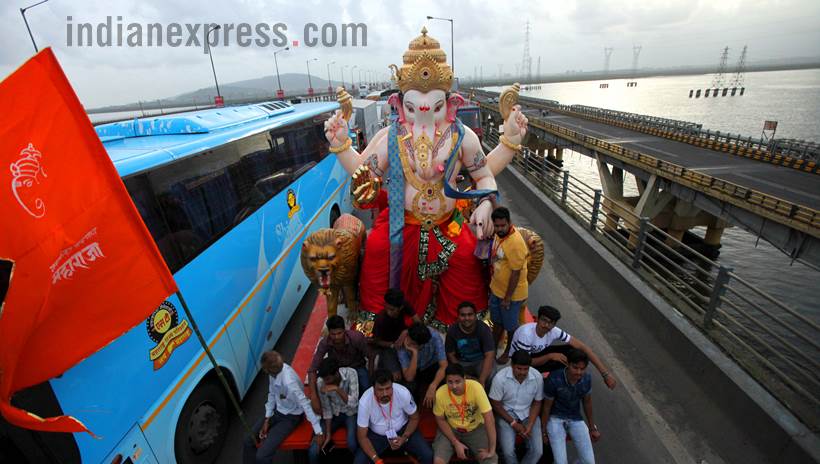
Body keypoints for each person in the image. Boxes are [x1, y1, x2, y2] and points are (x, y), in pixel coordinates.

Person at [502, 305, 618, 390]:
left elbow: (583, 347)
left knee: (575, 351)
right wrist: (550, 356)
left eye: (550, 323)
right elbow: (524, 363)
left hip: (536, 354)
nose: (546, 325)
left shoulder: (554, 331)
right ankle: (547, 384)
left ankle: (562, 381)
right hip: (520, 361)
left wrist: (605, 374)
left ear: (554, 325)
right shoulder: (526, 334)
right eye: (543, 320)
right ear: (537, 319)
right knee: (554, 359)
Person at [243, 351, 323, 464]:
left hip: (291, 417)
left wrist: (318, 432)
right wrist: (267, 419)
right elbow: (272, 394)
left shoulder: (289, 383)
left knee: (262, 456)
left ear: (266, 370)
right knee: (248, 440)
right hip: (277, 410)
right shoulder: (273, 373)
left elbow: (305, 404)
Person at [354, 369, 433, 464]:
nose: (385, 394)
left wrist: (404, 437)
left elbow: (414, 418)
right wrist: (377, 460)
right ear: (373, 388)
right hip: (377, 436)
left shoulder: (403, 392)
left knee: (428, 455)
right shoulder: (365, 401)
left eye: (388, 388)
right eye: (380, 390)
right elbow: (362, 437)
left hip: (403, 430)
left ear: (392, 385)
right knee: (359, 461)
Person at [541, 349, 601, 464]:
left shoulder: (587, 378)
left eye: (582, 369)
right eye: (575, 367)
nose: (578, 372)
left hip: (575, 418)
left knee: (589, 462)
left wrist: (592, 428)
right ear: (568, 364)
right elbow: (546, 407)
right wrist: (543, 432)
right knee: (560, 462)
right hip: (555, 419)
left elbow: (587, 402)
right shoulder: (554, 378)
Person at [432, 364, 497, 464]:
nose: (454, 386)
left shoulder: (476, 387)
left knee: (490, 461)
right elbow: (440, 419)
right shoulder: (440, 393)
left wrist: (492, 450)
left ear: (464, 378)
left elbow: (489, 418)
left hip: (475, 428)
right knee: (438, 461)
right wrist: (455, 442)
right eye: (450, 382)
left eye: (457, 381)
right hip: (451, 428)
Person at [488, 350, 544, 464]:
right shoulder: (500, 378)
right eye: (519, 368)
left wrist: (530, 424)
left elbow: (537, 402)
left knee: (537, 452)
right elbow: (495, 403)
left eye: (526, 369)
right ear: (512, 365)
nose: (522, 372)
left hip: (528, 413)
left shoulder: (537, 377)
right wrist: (513, 423)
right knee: (508, 452)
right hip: (506, 414)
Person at [488, 206, 529, 349]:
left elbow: (516, 273)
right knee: (497, 322)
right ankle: (493, 347)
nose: (499, 229)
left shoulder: (516, 243)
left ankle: (508, 352)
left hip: (511, 296)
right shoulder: (499, 235)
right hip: (497, 290)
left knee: (511, 327)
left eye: (503, 225)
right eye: (496, 226)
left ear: (509, 222)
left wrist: (507, 298)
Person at [309, 315, 370, 411]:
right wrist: (313, 397)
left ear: (344, 330)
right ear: (329, 333)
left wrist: (371, 375)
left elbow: (370, 356)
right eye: (333, 334)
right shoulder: (324, 343)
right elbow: (313, 369)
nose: (337, 337)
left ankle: (363, 408)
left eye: (339, 333)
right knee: (319, 385)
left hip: (357, 367)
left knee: (366, 387)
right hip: (337, 371)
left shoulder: (357, 338)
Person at [307, 358, 359, 463]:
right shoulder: (321, 382)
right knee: (314, 448)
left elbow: (354, 403)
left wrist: (337, 388)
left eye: (328, 379)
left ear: (336, 373)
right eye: (324, 379)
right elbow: (327, 409)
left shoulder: (351, 373)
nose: (325, 382)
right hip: (334, 414)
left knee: (352, 443)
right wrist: (328, 433)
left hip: (350, 413)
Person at [370, 288, 420, 380]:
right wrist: (393, 345)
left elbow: (418, 323)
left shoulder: (404, 304)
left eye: (392, 309)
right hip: (387, 347)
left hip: (404, 341)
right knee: (396, 377)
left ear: (400, 308)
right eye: (386, 307)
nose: (388, 312)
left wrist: (406, 332)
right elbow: (376, 341)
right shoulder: (381, 319)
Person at [444, 301, 495, 387]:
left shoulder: (483, 328)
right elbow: (450, 355)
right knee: (453, 378)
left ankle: (486, 394)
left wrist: (482, 380)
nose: (466, 318)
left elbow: (490, 354)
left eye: (470, 314)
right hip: (461, 362)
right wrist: (462, 374)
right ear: (458, 316)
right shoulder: (452, 330)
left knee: (491, 376)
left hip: (480, 361)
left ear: (475, 316)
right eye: (463, 315)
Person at [398, 322, 448, 407]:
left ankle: (442, 408)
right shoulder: (403, 343)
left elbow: (444, 365)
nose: (408, 343)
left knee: (446, 378)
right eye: (409, 339)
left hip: (431, 365)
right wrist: (415, 353)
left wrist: (433, 385)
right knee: (409, 387)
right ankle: (414, 410)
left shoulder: (434, 336)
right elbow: (409, 377)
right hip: (414, 369)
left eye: (413, 343)